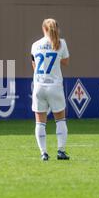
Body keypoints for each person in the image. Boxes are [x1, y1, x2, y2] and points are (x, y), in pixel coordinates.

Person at [31, 18, 70, 161]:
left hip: (39, 86)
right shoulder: (61, 43)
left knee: (40, 122)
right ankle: (61, 151)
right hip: (55, 86)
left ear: (43, 29)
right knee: (60, 120)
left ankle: (43, 153)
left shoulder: (35, 45)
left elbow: (33, 64)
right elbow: (66, 62)